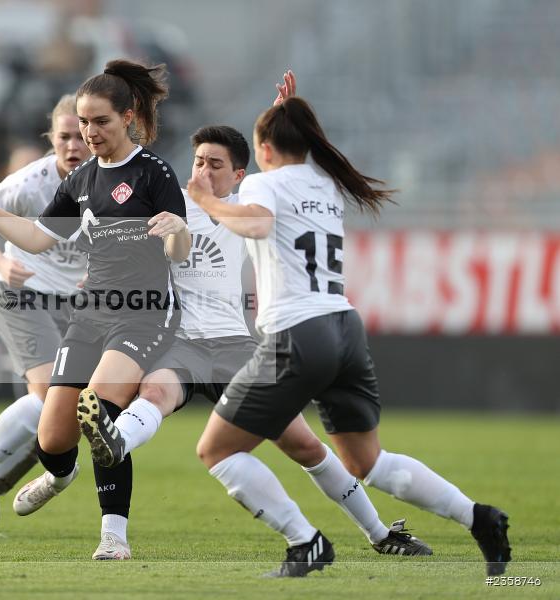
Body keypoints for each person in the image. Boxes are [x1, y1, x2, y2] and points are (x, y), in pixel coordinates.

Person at [186, 72, 511, 576]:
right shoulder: (327, 185)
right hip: (344, 329)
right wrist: (281, 117)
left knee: (217, 450)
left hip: (297, 334)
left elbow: (258, 221)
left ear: (264, 150)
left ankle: (305, 542)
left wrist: (206, 198)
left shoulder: (263, 185)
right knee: (369, 462)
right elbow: (279, 191)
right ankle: (479, 517)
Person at [77, 119, 431, 569]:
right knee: (154, 393)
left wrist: (285, 116)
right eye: (199, 160)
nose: (203, 170)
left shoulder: (251, 204)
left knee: (303, 446)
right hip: (181, 341)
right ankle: (115, 449)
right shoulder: (172, 202)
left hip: (235, 347)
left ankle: (380, 533)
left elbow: (289, 168)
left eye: (215, 163)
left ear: (239, 174)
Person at [0, 59, 190, 554]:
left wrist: (177, 235)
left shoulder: (154, 172)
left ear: (128, 117)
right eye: (84, 122)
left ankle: (114, 537)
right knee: (53, 438)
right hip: (91, 312)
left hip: (144, 311)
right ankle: (59, 477)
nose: (89, 132)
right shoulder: (81, 180)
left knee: (98, 415)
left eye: (100, 121)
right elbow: (38, 239)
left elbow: (179, 252)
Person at [0, 95, 89, 494]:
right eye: (64, 136)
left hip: (79, 306)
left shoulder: (109, 182)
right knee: (50, 391)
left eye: (80, 136)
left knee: (70, 409)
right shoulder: (30, 181)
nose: (72, 146)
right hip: (22, 292)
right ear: (52, 138)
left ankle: (15, 482)